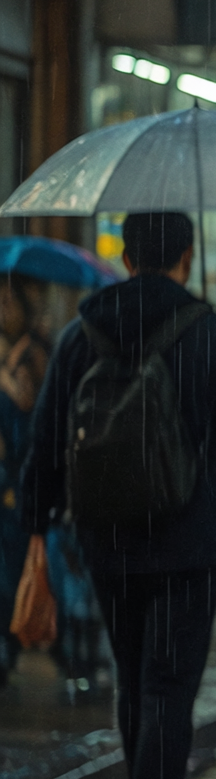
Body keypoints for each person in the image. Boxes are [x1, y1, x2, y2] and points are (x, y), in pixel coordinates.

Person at [20, 210, 216, 779]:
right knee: (169, 686)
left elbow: (46, 438)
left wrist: (37, 522)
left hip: (106, 535)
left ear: (126, 258)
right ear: (187, 258)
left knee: (135, 681)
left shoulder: (82, 333)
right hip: (189, 536)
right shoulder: (210, 332)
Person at [0, 274, 50, 688]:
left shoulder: (33, 352)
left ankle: (12, 642)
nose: (3, 309)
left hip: (18, 477)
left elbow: (29, 404)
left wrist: (7, 370)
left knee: (14, 568)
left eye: (8, 302)